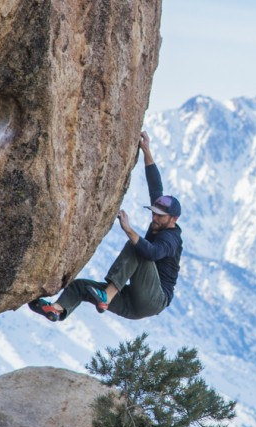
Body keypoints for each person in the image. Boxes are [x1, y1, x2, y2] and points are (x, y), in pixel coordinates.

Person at [28, 130, 182, 322]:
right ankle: (57, 310)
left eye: (160, 216)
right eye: (154, 213)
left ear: (173, 219)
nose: (155, 218)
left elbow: (153, 253)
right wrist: (146, 151)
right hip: (132, 303)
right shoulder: (159, 222)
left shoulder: (171, 238)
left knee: (136, 248)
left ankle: (107, 296)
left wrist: (128, 229)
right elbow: (155, 187)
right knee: (81, 286)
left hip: (154, 299)